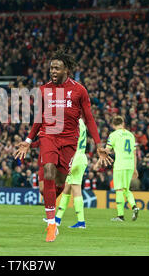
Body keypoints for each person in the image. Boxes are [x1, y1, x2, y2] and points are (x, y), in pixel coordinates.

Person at [14, 49, 112, 242]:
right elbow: (38, 119)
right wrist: (28, 140)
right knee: (48, 170)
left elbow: (90, 119)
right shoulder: (43, 90)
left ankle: (51, 206)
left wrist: (99, 144)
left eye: (57, 68)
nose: (53, 71)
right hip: (48, 136)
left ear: (66, 69)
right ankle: (51, 224)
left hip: (69, 141)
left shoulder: (79, 90)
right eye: (51, 68)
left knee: (57, 182)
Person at [54, 118, 88, 229]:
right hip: (81, 156)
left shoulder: (72, 121)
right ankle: (57, 219)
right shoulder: (82, 122)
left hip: (74, 157)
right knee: (67, 188)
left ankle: (81, 222)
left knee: (76, 189)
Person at [105, 115, 140, 222]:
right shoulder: (130, 135)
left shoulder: (113, 135)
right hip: (130, 164)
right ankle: (134, 206)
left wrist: (100, 151)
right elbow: (135, 153)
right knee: (126, 189)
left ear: (113, 125)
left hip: (120, 164)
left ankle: (120, 216)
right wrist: (135, 168)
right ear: (123, 123)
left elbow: (107, 150)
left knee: (119, 189)